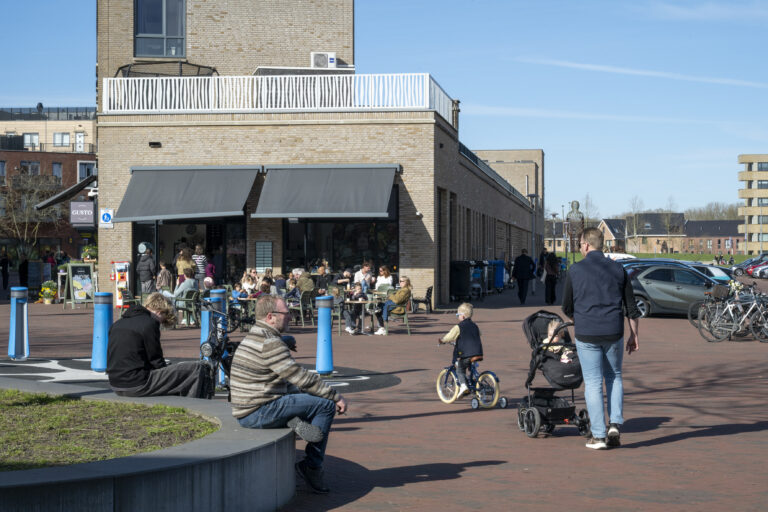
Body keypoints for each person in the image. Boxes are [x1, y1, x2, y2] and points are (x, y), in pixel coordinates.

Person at [229, 295, 348, 494]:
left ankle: (308, 432)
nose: (291, 317)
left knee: (309, 404)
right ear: (270, 317)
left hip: (249, 409)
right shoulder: (270, 342)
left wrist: (306, 396)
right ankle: (311, 466)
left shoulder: (256, 335)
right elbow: (299, 377)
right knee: (325, 406)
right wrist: (335, 396)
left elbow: (287, 381)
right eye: (286, 313)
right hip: (259, 411)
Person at [562, 227, 640, 450]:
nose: (579, 248)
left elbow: (566, 305)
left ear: (586, 244)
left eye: (579, 245)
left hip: (587, 333)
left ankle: (598, 435)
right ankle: (614, 423)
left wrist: (579, 319)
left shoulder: (575, 270)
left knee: (594, 382)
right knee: (614, 375)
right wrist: (634, 335)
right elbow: (631, 307)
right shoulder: (618, 269)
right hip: (613, 330)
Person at [106, 292, 211, 398]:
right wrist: (167, 370)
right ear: (160, 312)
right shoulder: (149, 324)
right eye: (163, 320)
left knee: (175, 372)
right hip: (137, 383)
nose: (160, 324)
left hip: (115, 384)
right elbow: (155, 360)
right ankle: (194, 404)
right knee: (196, 368)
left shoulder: (118, 323)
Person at [438, 302, 483, 397]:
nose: (457, 317)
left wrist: (442, 340)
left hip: (468, 353)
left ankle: (463, 386)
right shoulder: (475, 325)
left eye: (458, 315)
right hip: (478, 352)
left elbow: (450, 336)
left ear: (462, 316)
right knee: (471, 368)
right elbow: (479, 333)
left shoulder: (459, 327)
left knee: (460, 369)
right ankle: (475, 384)